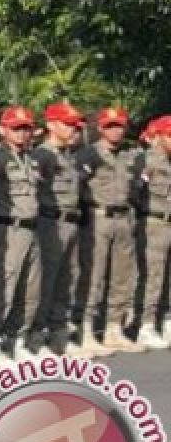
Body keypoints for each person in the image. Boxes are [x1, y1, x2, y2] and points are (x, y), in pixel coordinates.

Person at [0, 106, 43, 366]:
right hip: (5, 229)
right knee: (2, 287)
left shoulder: (30, 159)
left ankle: (16, 339)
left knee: (30, 289)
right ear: (3, 130)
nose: (21, 133)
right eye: (16, 128)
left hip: (31, 228)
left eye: (26, 128)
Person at [79, 106, 144, 354]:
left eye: (119, 126)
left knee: (121, 276)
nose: (115, 131)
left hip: (123, 218)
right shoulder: (89, 154)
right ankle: (86, 329)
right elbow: (79, 185)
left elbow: (136, 188)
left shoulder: (127, 157)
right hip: (99, 217)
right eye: (110, 126)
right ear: (100, 129)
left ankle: (114, 328)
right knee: (94, 276)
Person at [33, 101, 93, 357]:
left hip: (71, 221)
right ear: (51, 125)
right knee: (45, 282)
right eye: (66, 124)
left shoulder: (70, 156)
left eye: (74, 124)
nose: (72, 129)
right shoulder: (42, 156)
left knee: (65, 280)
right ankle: (37, 337)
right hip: (50, 222)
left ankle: (59, 335)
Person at [132, 114, 171, 349]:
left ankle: (167, 320)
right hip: (154, 221)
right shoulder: (147, 161)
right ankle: (146, 325)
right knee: (153, 275)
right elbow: (135, 192)